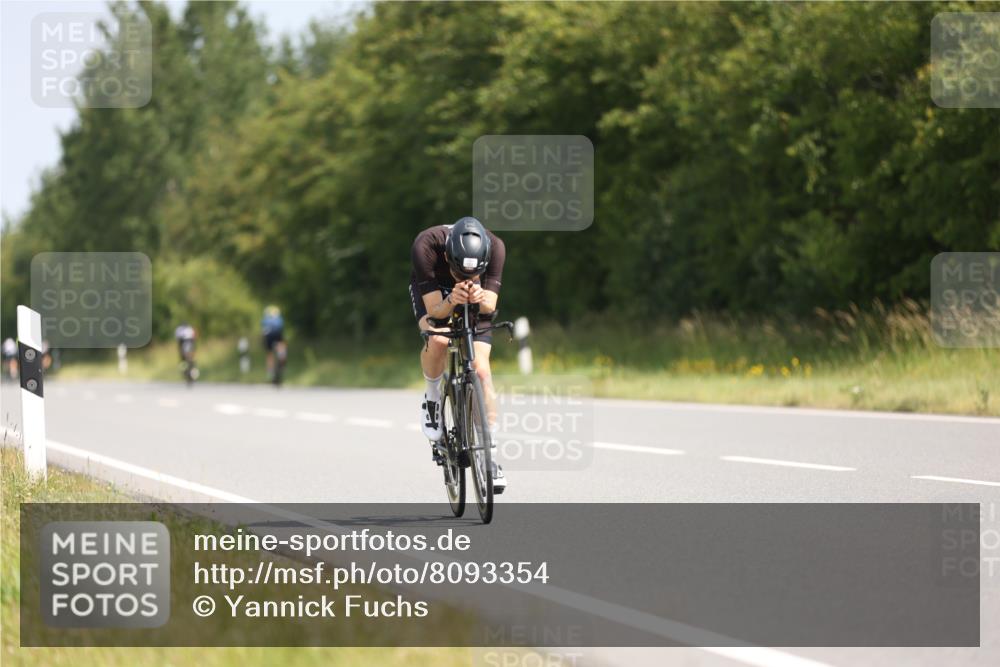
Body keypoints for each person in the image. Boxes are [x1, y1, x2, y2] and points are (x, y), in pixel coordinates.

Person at [409, 216, 506, 492]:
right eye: (460, 274)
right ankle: (433, 396)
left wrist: (478, 296)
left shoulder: (496, 247)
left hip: (473, 302)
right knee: (438, 340)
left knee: (482, 370)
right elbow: (433, 312)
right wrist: (451, 298)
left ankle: (491, 458)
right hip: (436, 294)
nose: (465, 279)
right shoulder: (425, 246)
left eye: (472, 275)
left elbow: (490, 306)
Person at [261, 305, 286, 381]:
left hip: (268, 337)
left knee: (269, 354)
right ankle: (282, 360)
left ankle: (270, 371)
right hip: (278, 335)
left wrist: (262, 341)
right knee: (281, 348)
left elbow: (263, 331)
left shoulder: (265, 319)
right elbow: (281, 329)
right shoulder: (279, 319)